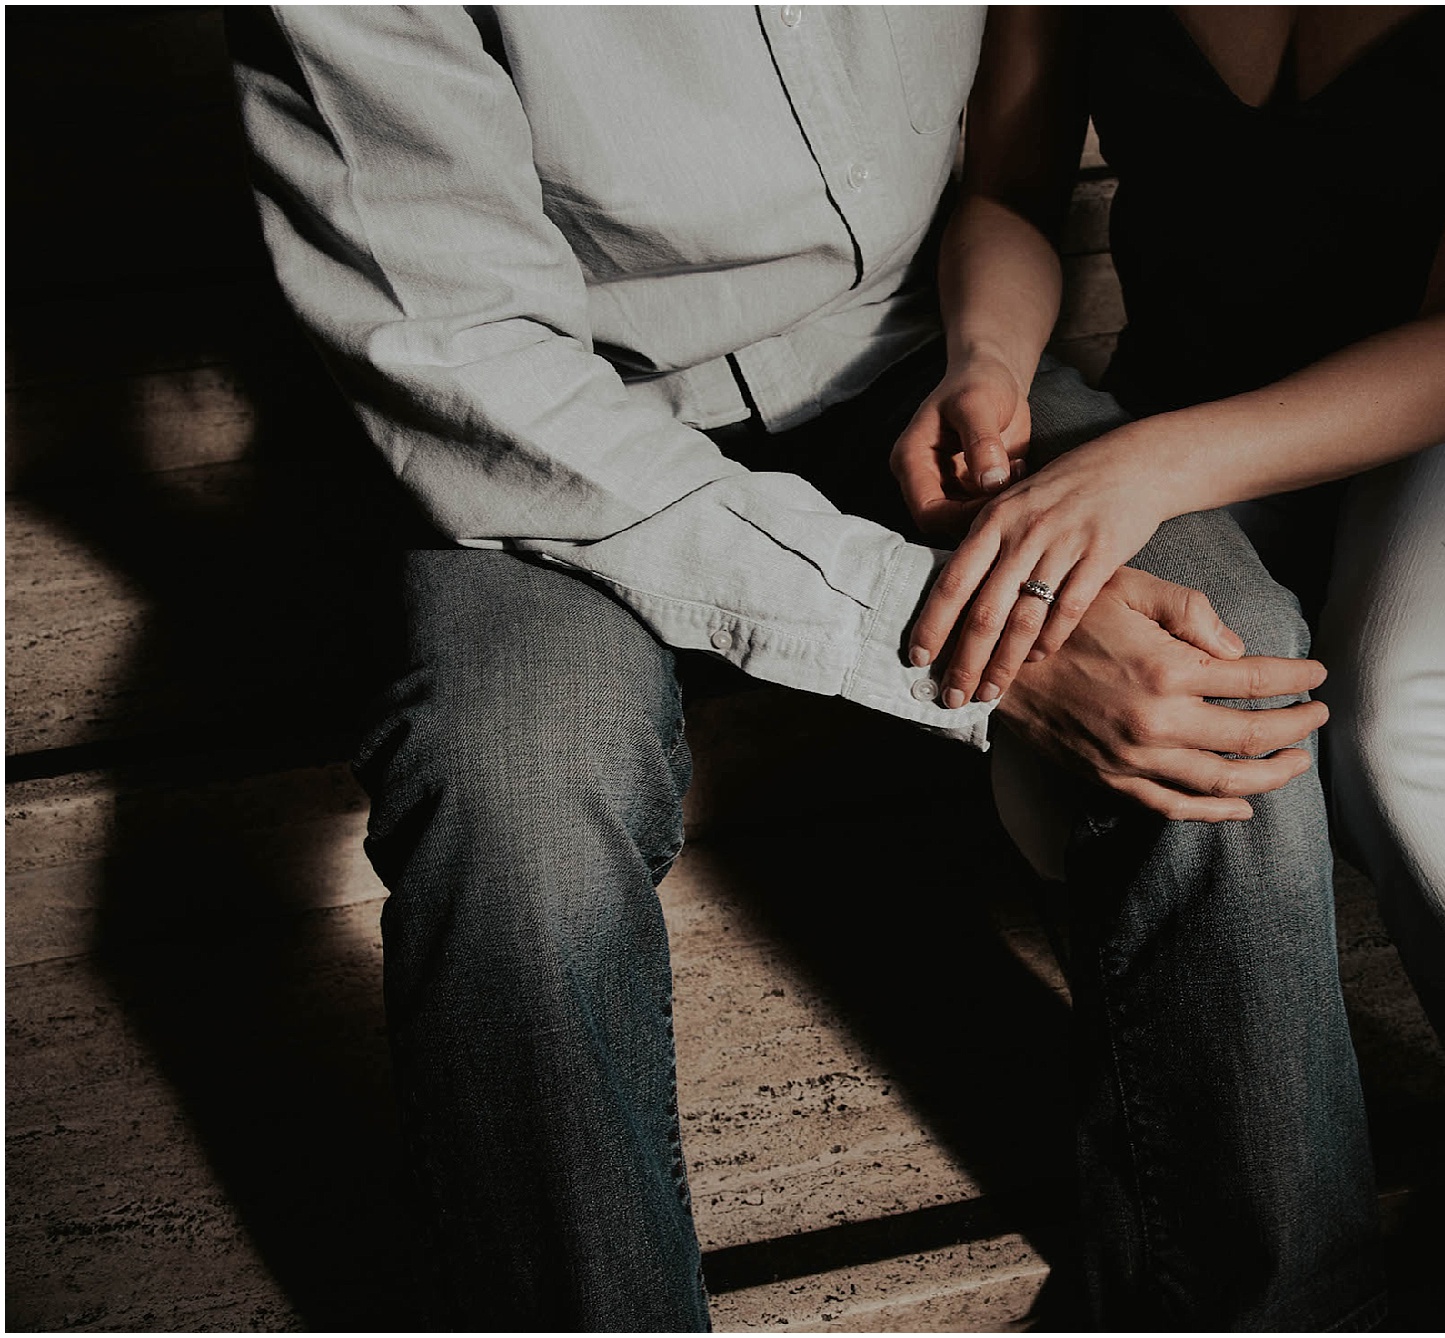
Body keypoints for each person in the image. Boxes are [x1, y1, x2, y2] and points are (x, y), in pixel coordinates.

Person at [230, 7, 1385, 1330]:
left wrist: (985, 359)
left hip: (924, 346)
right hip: (561, 422)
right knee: (508, 795)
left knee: (1225, 649)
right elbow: (469, 366)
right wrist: (974, 646)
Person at [894, 6, 1445, 1328]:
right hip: (1196, 389)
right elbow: (1010, 189)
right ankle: (1402, 599)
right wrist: (991, 363)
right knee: (1085, 780)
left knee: (1410, 737)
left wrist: (1144, 467)